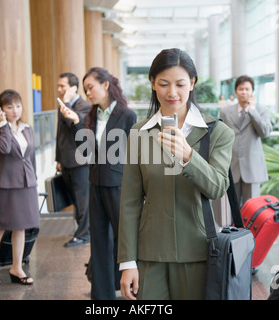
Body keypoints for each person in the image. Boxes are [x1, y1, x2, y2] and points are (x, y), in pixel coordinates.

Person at [117, 48, 235, 300]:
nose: (172, 93)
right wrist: (127, 262)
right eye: (163, 84)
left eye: (180, 84)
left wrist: (188, 157)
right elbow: (129, 202)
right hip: (150, 253)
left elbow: (217, 187)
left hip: (199, 252)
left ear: (192, 83)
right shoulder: (139, 133)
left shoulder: (218, 132)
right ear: (152, 84)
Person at [59, 67, 137, 300]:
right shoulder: (92, 116)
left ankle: (136, 289)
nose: (88, 93)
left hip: (119, 186)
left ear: (106, 85)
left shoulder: (127, 115)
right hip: (96, 184)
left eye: (91, 87)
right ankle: (102, 298)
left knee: (126, 241)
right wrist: (75, 123)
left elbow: (134, 155)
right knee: (100, 243)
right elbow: (87, 152)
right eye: (85, 90)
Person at [0, 89, 40, 285]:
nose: (15, 110)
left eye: (17, 105)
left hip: (27, 183)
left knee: (21, 226)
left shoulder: (27, 128)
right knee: (0, 226)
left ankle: (17, 267)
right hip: (7, 185)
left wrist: (34, 181)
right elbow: (4, 149)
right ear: (0, 109)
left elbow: (30, 157)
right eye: (9, 107)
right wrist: (4, 125)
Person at [219, 75, 272, 207]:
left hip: (252, 167)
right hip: (231, 166)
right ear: (236, 91)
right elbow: (220, 136)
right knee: (232, 210)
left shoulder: (262, 111)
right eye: (241, 89)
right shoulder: (225, 111)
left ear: (252, 91)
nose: (244, 92)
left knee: (253, 210)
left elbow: (265, 132)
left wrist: (252, 111)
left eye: (247, 89)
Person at [56, 72, 91, 247]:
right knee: (74, 199)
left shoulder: (84, 106)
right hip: (66, 160)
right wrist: (58, 158)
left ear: (73, 88)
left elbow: (72, 122)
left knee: (82, 199)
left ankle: (83, 234)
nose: (60, 89)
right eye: (59, 86)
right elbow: (59, 134)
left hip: (80, 161)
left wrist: (68, 102)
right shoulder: (63, 105)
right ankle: (83, 230)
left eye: (63, 86)